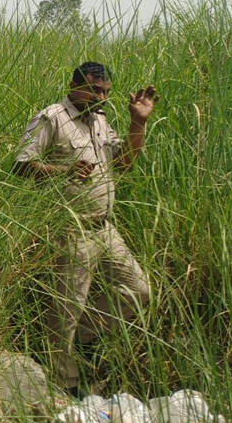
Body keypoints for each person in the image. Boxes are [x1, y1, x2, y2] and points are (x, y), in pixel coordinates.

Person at [12, 61, 158, 395]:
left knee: (139, 291)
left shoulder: (100, 121)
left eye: (106, 91)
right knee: (64, 313)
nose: (101, 97)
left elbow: (124, 164)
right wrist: (61, 171)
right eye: (94, 90)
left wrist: (138, 123)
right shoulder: (52, 117)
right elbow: (21, 165)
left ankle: (84, 339)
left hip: (103, 228)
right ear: (74, 85)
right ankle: (66, 388)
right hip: (70, 229)